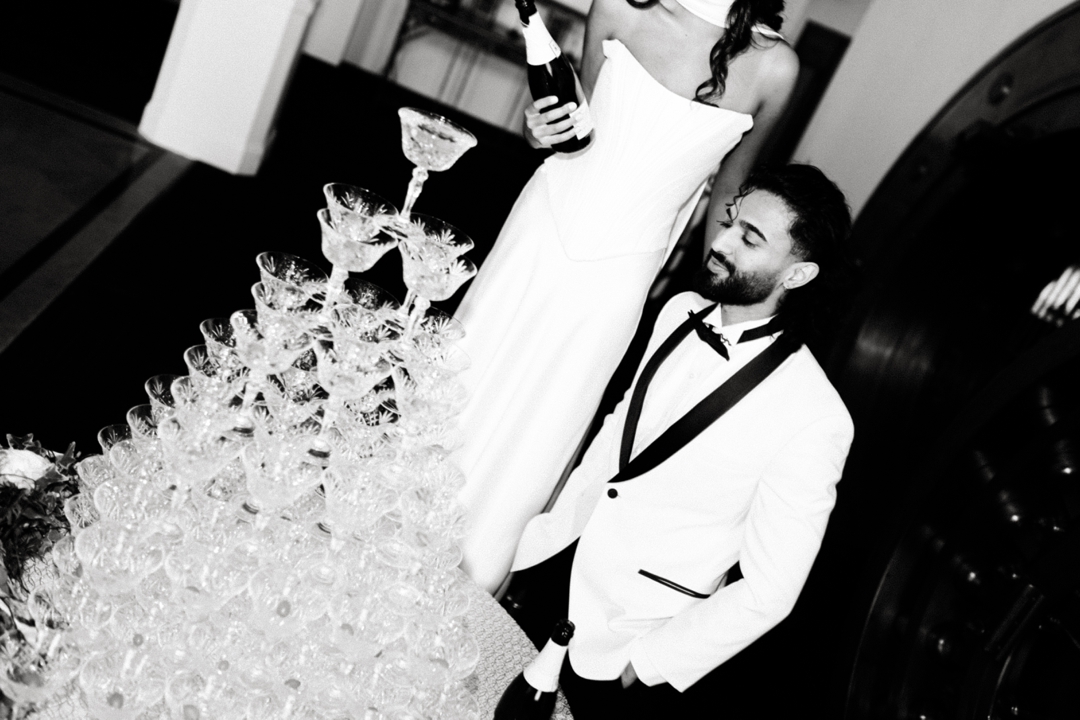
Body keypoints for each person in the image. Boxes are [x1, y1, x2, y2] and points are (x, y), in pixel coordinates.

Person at [454, 0, 800, 594]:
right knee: (464, 377)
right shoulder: (619, 5)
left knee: (547, 424)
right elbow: (565, 127)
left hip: (623, 274)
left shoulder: (774, 69)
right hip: (542, 228)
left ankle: (467, 581)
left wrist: (732, 302)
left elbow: (730, 192)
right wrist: (536, 125)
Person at [502, 164, 855, 718]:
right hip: (545, 563)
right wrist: (534, 535)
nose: (719, 242)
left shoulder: (815, 415)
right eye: (731, 220)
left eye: (749, 238)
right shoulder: (679, 312)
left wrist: (642, 665)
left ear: (798, 275)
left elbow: (770, 592)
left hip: (621, 638)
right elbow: (618, 430)